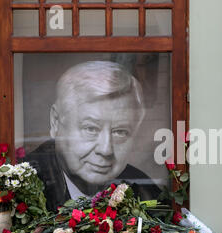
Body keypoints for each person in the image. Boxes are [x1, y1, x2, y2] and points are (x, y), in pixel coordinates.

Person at [25, 61, 162, 211]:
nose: (106, 150)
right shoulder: (23, 187)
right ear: (56, 122)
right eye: (90, 128)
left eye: (120, 132)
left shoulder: (146, 192)